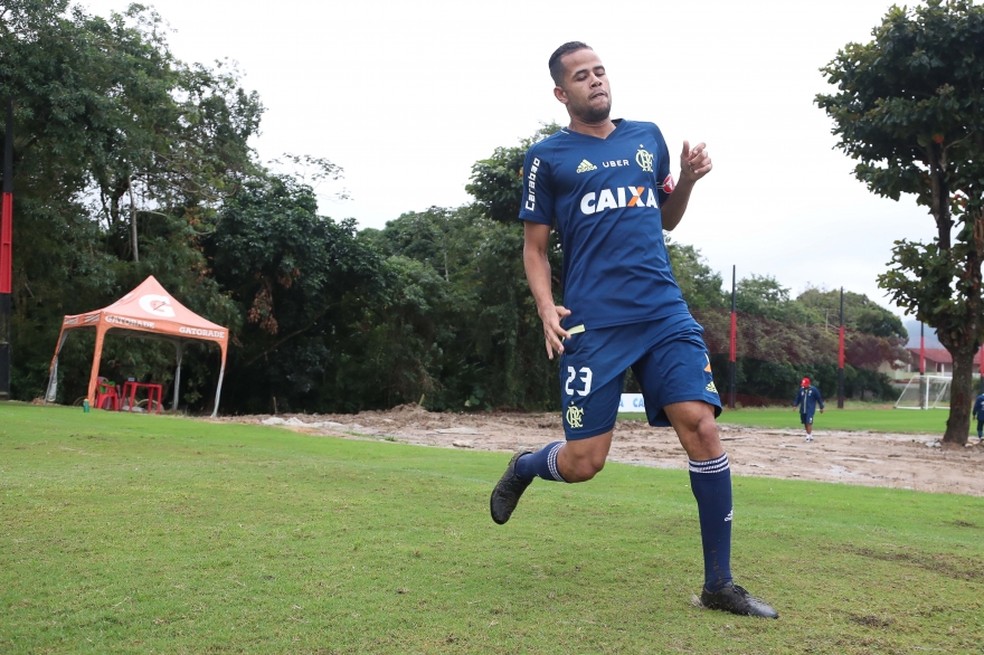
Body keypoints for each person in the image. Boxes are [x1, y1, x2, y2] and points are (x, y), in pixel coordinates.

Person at [489, 41, 778, 619]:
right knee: (584, 463)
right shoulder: (546, 157)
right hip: (594, 323)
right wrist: (546, 308)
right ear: (560, 92)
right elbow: (535, 248)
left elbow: (665, 217)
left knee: (701, 427)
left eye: (600, 71)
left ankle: (719, 585)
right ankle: (525, 465)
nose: (595, 80)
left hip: (663, 312)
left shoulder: (647, 136)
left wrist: (687, 180)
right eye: (581, 76)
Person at [793, 377, 824, 442]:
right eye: (803, 385)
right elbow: (798, 398)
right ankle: (810, 435)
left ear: (808, 384)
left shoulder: (814, 390)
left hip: (810, 409)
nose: (804, 386)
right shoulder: (801, 390)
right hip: (803, 409)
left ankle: (808, 436)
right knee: (805, 422)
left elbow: (819, 398)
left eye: (805, 385)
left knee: (809, 422)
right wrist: (795, 405)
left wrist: (821, 407)